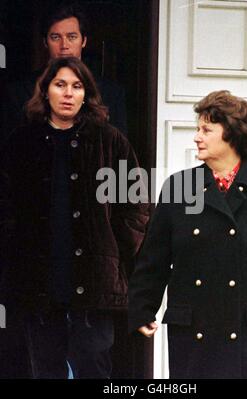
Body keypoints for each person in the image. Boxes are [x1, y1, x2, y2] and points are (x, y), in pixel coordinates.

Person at [128, 90, 247, 379]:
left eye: (206, 130)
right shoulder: (180, 187)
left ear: (232, 134)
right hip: (195, 334)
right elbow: (153, 259)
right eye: (197, 129)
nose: (197, 136)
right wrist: (142, 308)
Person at [0, 56, 149, 378]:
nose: (68, 93)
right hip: (39, 280)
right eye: (60, 84)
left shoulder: (110, 141)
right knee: (45, 368)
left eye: (77, 86)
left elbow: (136, 208)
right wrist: (14, 252)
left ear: (87, 94)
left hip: (95, 281)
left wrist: (125, 264)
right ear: (46, 92)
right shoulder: (20, 143)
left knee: (94, 364)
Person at [1, 3, 127, 149]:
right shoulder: (18, 92)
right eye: (55, 37)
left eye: (72, 37)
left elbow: (119, 153)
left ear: (84, 41)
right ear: (45, 42)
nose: (64, 45)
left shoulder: (112, 93)